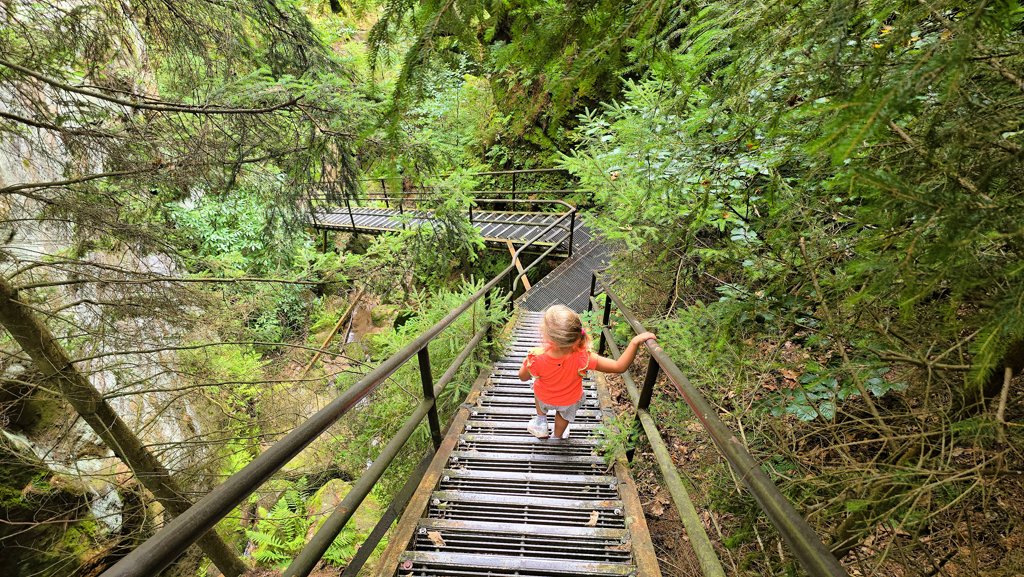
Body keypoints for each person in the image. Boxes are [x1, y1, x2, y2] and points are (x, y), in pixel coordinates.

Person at [518, 304, 656, 439]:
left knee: (536, 385)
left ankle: (541, 423)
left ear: (546, 336)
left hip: (544, 398)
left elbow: (523, 377)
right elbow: (619, 366)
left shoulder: (535, 357)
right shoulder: (584, 357)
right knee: (563, 415)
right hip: (569, 400)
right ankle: (557, 436)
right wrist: (634, 342)